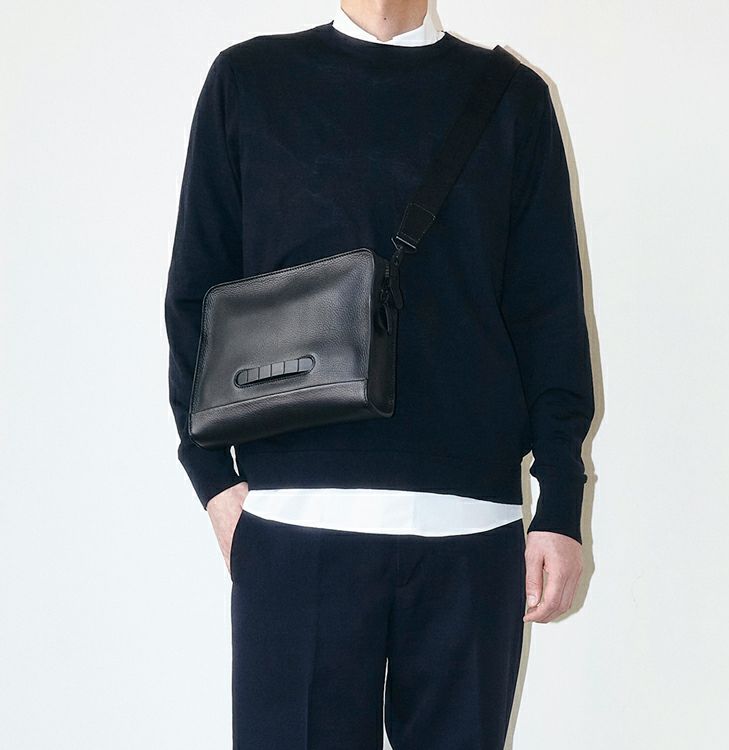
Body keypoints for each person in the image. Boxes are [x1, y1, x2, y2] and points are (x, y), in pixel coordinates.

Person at [164, 2, 595, 747]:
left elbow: (548, 312)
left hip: (471, 529)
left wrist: (560, 500)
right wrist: (211, 477)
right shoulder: (250, 81)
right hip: (296, 522)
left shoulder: (509, 96)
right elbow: (197, 291)